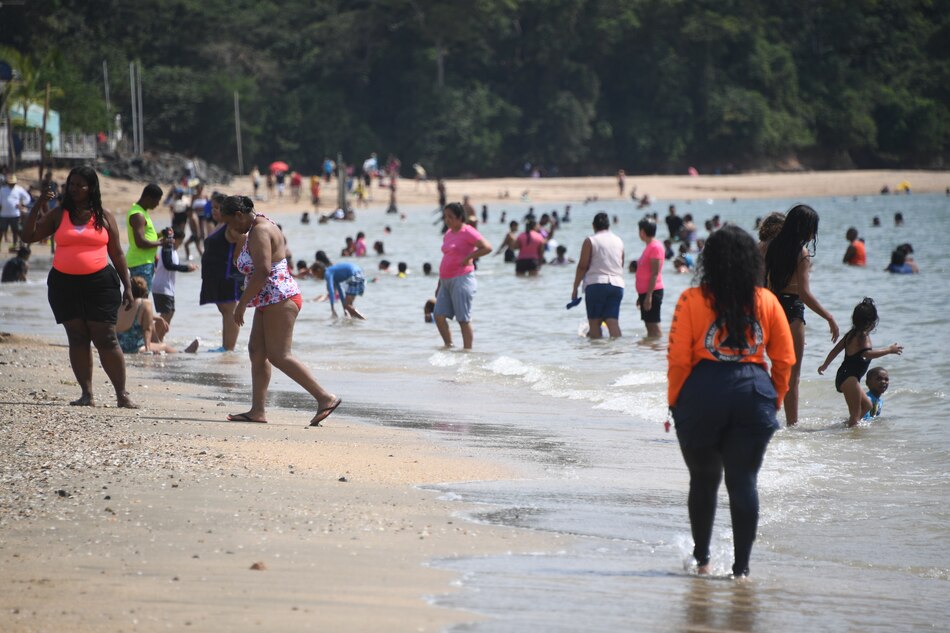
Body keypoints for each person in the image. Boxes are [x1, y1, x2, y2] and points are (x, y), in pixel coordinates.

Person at [668, 224, 794, 579]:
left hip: (702, 393)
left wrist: (675, 402)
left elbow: (678, 360)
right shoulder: (767, 301)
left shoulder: (691, 299)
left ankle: (702, 560)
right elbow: (784, 360)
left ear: (709, 261)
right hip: (753, 393)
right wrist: (776, 400)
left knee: (703, 480)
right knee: (744, 482)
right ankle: (741, 571)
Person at [21, 166, 137, 408]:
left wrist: (127, 286)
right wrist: (39, 204)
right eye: (71, 184)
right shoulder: (58, 215)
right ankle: (87, 394)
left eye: (79, 185)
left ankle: (122, 395)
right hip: (64, 284)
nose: (74, 189)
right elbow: (28, 236)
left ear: (91, 188)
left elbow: (116, 253)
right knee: (77, 337)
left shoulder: (104, 216)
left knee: (106, 338)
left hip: (100, 284)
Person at [220, 195, 341, 426]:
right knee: (257, 351)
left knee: (279, 355)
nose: (231, 228)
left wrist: (242, 303)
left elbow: (263, 271)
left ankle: (325, 397)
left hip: (281, 298)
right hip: (268, 299)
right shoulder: (255, 227)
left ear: (239, 215)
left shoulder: (260, 230)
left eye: (230, 222)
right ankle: (257, 411)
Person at [765, 204, 839, 426]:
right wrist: (829, 317)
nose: (813, 234)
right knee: (792, 376)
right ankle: (792, 426)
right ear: (806, 228)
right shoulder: (802, 254)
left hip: (772, 310)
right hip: (792, 311)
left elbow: (765, 285)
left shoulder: (770, 247)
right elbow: (804, 294)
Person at [818, 298, 903, 427]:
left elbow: (835, 350)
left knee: (867, 405)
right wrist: (889, 350)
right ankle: (849, 435)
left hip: (845, 376)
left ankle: (846, 428)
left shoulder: (851, 334)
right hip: (849, 378)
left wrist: (825, 365)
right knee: (856, 413)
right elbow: (867, 354)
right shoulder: (862, 336)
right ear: (872, 322)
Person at [433, 202, 492, 349]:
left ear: (460, 217)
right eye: (445, 217)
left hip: (462, 279)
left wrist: (468, 258)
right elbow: (446, 257)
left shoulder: (468, 231)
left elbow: (487, 247)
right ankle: (449, 346)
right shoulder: (448, 233)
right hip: (445, 281)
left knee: (463, 319)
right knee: (438, 316)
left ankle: (467, 352)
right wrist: (439, 284)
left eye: (451, 217)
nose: (447, 220)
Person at [571, 212, 625, 339]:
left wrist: (575, 288)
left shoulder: (590, 240)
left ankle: (597, 357)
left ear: (593, 226)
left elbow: (582, 266)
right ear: (608, 226)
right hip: (617, 285)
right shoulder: (619, 240)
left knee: (594, 324)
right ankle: (618, 354)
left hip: (596, 284)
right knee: (613, 323)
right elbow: (621, 264)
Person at [199, 192, 241, 352]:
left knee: (230, 310)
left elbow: (244, 239)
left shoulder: (230, 227)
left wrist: (237, 259)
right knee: (224, 310)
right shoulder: (218, 225)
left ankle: (229, 348)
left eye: (217, 207)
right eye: (212, 207)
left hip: (227, 275)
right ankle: (225, 346)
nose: (214, 211)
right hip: (215, 276)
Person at [116, 276, 193, 354]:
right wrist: (148, 348)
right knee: (164, 346)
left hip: (117, 346)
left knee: (156, 341)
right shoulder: (145, 303)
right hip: (133, 347)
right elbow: (148, 329)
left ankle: (162, 345)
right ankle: (183, 353)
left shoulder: (121, 304)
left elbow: (134, 317)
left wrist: (158, 318)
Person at [152, 227, 197, 341]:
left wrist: (187, 267)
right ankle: (152, 339)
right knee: (166, 313)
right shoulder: (167, 248)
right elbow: (168, 265)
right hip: (162, 286)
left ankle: (159, 339)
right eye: (180, 242)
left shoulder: (173, 251)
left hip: (168, 288)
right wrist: (186, 268)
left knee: (170, 313)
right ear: (174, 239)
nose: (180, 244)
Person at [125, 183, 164, 291]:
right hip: (140, 263)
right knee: (141, 299)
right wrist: (161, 243)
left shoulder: (141, 212)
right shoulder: (138, 215)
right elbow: (140, 242)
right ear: (148, 198)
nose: (157, 204)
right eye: (157, 200)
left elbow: (146, 236)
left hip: (143, 262)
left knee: (138, 300)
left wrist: (161, 234)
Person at [635, 217, 665, 339]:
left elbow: (654, 273)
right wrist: (641, 296)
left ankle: (657, 351)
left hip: (653, 292)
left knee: (654, 326)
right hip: (646, 292)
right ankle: (651, 352)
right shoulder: (649, 247)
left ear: (642, 232)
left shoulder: (655, 247)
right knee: (649, 326)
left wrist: (649, 296)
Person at [1, 174, 31, 246]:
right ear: (7, 183)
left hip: (15, 214)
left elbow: (27, 198)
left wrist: (22, 204)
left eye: (13, 183)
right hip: (3, 214)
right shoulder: (2, 189)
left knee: (15, 231)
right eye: (10, 183)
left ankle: (14, 245)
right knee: (1, 230)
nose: (12, 185)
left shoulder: (19, 189)